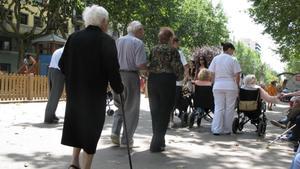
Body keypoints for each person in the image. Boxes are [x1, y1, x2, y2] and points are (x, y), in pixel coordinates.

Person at [58, 5, 123, 169]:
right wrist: (119, 88)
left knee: (77, 126)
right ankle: (86, 167)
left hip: (75, 92)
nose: (107, 25)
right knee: (91, 131)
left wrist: (75, 75)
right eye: (107, 22)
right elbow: (112, 70)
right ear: (102, 22)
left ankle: (74, 163)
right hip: (94, 95)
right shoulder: (107, 41)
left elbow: (62, 64)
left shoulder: (73, 37)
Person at [111, 20, 147, 148]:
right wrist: (148, 69)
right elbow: (140, 65)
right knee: (131, 108)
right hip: (131, 76)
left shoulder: (118, 40)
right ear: (137, 30)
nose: (143, 32)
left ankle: (115, 132)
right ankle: (127, 140)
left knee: (120, 104)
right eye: (142, 30)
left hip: (116, 75)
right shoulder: (138, 43)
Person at [147, 27, 184, 152]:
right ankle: (156, 143)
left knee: (155, 111)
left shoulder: (153, 49)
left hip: (153, 81)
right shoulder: (173, 50)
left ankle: (160, 141)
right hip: (167, 81)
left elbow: (149, 64)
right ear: (169, 38)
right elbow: (178, 68)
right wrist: (179, 77)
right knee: (164, 111)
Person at [208, 42, 241, 135]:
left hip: (218, 85)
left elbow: (212, 74)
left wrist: (213, 84)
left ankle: (216, 129)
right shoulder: (233, 59)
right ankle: (227, 130)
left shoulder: (216, 58)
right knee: (229, 108)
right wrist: (237, 87)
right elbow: (237, 75)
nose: (233, 53)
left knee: (218, 107)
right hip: (230, 86)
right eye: (233, 50)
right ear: (229, 49)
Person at [170, 37, 188, 127]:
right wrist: (185, 77)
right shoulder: (177, 52)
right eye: (178, 43)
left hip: (173, 82)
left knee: (172, 101)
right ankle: (171, 119)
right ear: (174, 42)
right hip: (176, 81)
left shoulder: (178, 53)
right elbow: (186, 66)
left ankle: (171, 120)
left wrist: (185, 77)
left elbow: (186, 66)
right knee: (173, 101)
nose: (179, 45)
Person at [44, 47, 65, 124]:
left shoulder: (58, 50)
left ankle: (52, 115)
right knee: (55, 95)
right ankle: (48, 118)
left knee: (52, 95)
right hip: (58, 72)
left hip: (51, 70)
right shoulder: (66, 51)